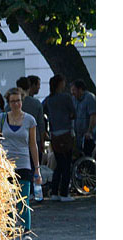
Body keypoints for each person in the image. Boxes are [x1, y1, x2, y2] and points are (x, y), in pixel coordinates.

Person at [0, 87, 42, 240]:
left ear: (22, 101)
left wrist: (37, 168)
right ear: (8, 103)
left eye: (19, 100)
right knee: (7, 201)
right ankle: (7, 233)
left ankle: (26, 233)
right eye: (13, 101)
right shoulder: (1, 119)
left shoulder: (29, 120)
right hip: (5, 165)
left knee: (23, 200)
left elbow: (33, 145)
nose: (16, 104)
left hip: (24, 164)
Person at [43, 74, 76, 202]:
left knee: (59, 164)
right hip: (66, 133)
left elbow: (43, 111)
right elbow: (73, 113)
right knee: (67, 164)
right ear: (60, 84)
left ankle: (54, 191)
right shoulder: (66, 98)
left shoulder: (48, 100)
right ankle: (64, 193)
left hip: (54, 135)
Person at [70, 79, 96, 157]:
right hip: (77, 135)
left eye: (74, 90)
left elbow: (93, 115)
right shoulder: (74, 99)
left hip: (88, 136)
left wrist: (89, 131)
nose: (72, 93)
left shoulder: (89, 98)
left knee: (88, 155)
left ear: (80, 89)